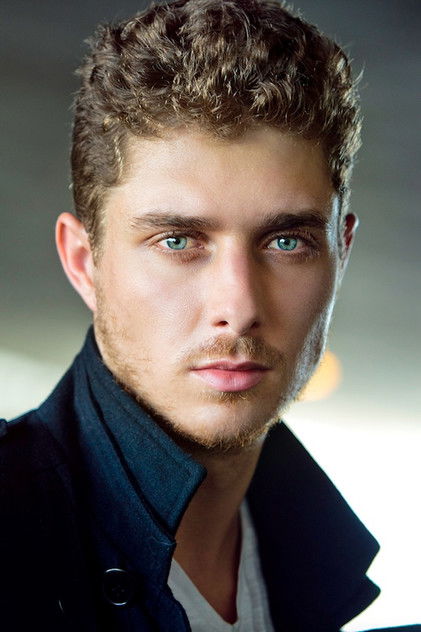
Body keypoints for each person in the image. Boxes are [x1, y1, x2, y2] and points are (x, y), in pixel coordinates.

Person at [1, 1, 419, 631]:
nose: (239, 308)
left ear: (342, 251)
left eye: (286, 242)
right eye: (177, 241)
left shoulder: (311, 558)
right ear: (85, 263)